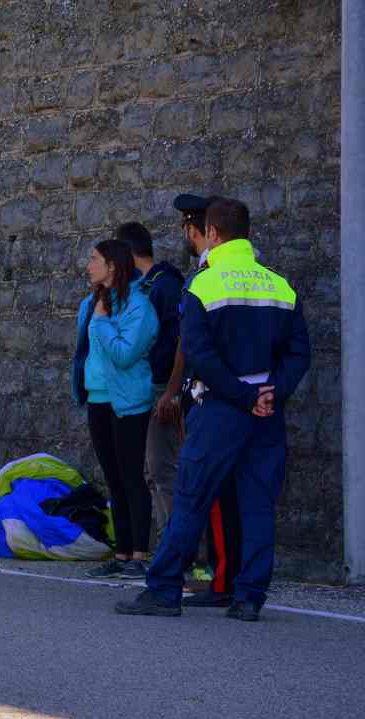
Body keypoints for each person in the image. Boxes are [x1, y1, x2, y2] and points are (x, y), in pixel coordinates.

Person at [116, 198, 310, 621]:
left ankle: (164, 589)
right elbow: (299, 353)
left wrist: (241, 396)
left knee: (190, 498)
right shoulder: (280, 284)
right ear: (247, 233)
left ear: (214, 234)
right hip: (267, 412)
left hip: (221, 409)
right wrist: (270, 392)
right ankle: (249, 597)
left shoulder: (202, 284)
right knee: (258, 503)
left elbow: (199, 355)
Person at [171, 193, 243, 608]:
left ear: (198, 230)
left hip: (214, 397)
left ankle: (221, 579)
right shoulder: (248, 273)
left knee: (213, 494)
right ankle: (228, 575)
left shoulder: (207, 277)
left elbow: (193, 344)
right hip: (241, 395)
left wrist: (176, 392)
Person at [72, 238, 159, 579]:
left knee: (132, 477)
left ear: (112, 266)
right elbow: (84, 352)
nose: (88, 265)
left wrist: (103, 322)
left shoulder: (139, 306)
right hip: (98, 399)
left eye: (94, 259)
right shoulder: (91, 303)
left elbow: (125, 354)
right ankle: (121, 553)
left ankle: (139, 553)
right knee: (113, 478)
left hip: (128, 402)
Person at [116, 222, 185, 540]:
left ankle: (178, 551)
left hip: (161, 388)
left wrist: (170, 393)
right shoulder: (148, 287)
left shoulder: (163, 287)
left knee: (161, 469)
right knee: (150, 471)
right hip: (147, 388)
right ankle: (169, 545)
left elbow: (175, 346)